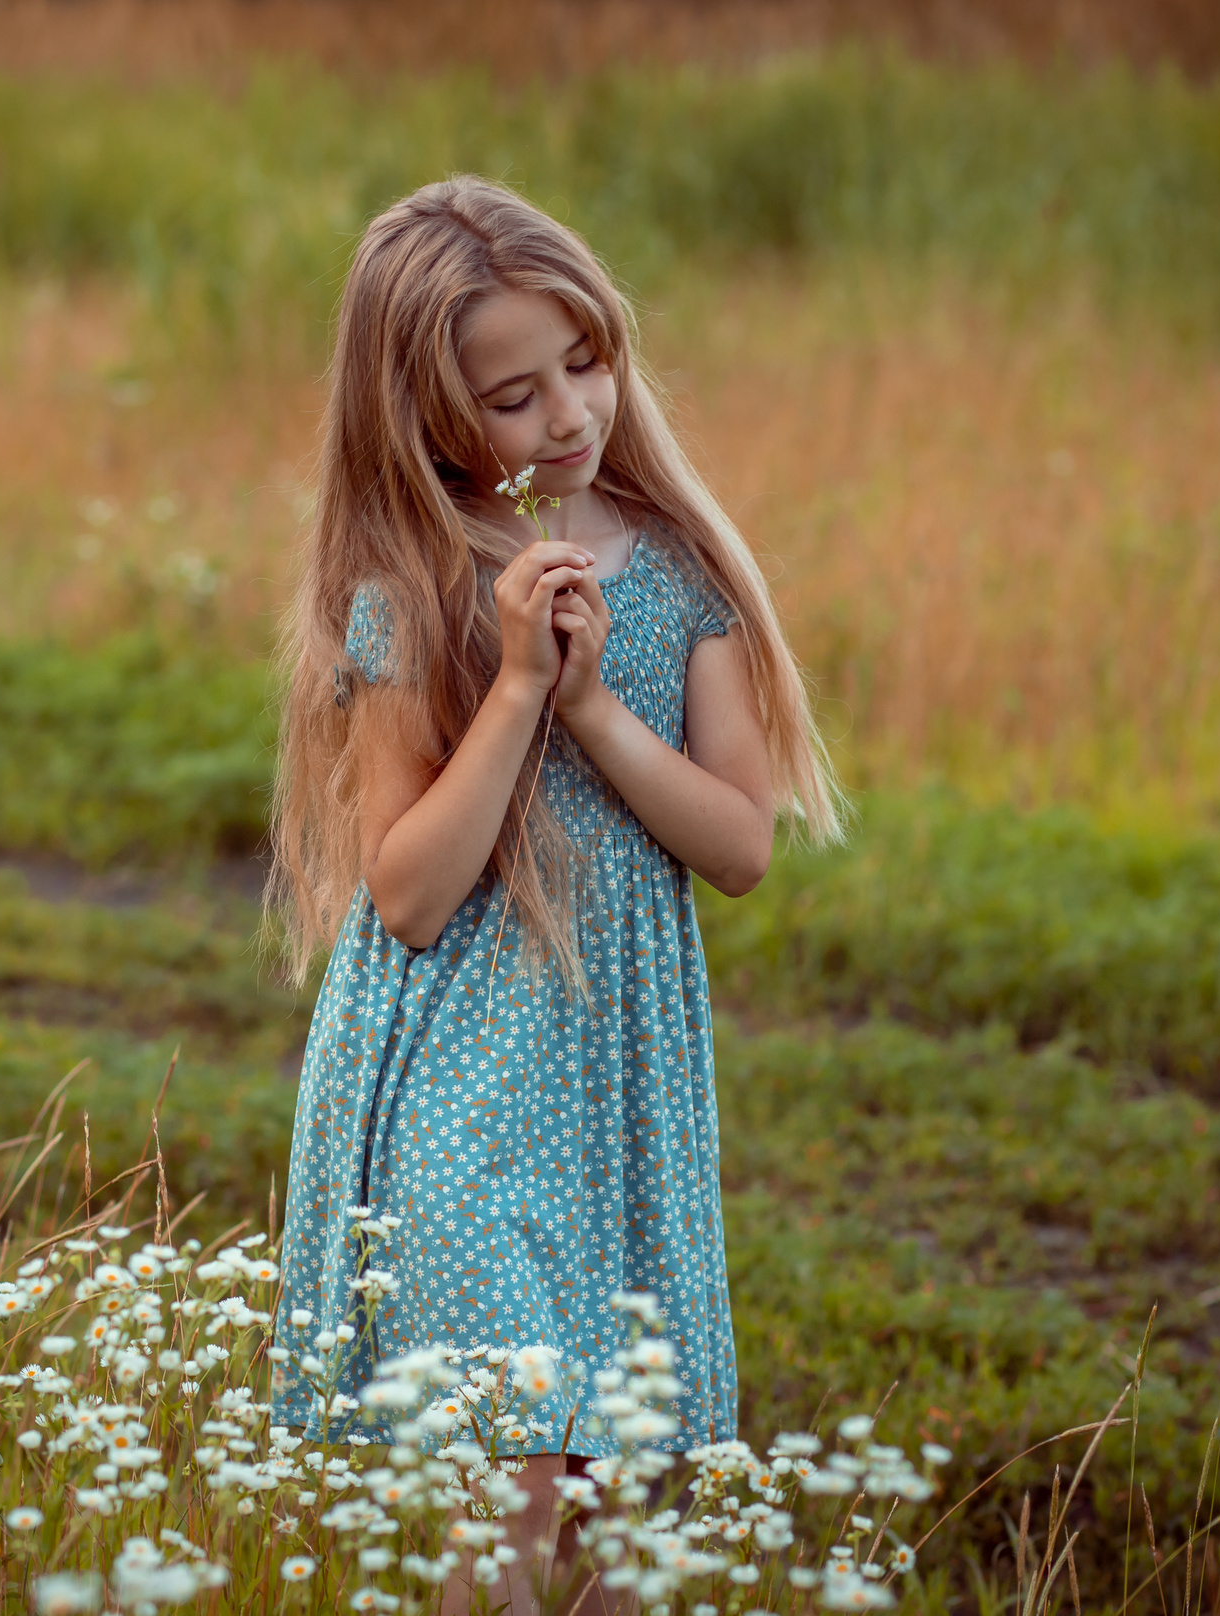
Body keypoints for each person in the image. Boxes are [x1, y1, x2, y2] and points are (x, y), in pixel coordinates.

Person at [266, 175, 845, 1612]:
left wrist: (595, 712)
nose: (571, 414)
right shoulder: (403, 584)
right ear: (427, 415)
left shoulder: (684, 570)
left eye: (585, 362)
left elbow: (740, 844)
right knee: (510, 1493)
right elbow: (405, 891)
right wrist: (520, 685)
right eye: (515, 396)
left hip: (617, 1081)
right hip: (457, 1079)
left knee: (610, 1522)